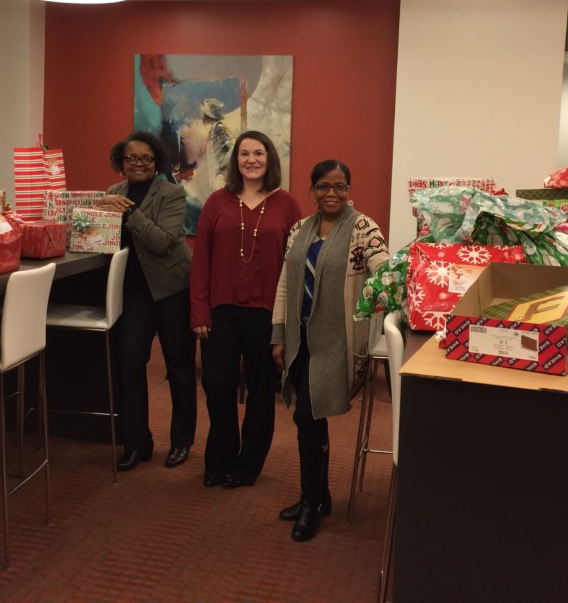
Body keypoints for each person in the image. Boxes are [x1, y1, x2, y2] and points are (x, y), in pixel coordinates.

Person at [271, 160, 389, 541]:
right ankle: (319, 497)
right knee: (308, 417)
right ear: (313, 190)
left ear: (349, 189)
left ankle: (311, 504)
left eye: (340, 186)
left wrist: (387, 286)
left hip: (336, 341)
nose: (332, 193)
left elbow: (383, 270)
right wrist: (278, 333)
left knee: (309, 415)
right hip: (300, 337)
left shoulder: (363, 228)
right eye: (323, 186)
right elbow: (286, 282)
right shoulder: (299, 230)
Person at [190, 130, 302, 488]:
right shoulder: (216, 202)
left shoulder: (287, 205)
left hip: (267, 314)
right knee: (216, 383)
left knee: (261, 389)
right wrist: (199, 311)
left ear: (269, 159)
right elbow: (201, 259)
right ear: (235, 160)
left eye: (258, 153)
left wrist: (287, 322)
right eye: (244, 154)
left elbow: (295, 266)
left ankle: (248, 465)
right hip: (220, 311)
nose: (251, 160)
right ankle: (219, 459)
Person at [96, 131, 197, 471]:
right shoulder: (113, 192)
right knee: (129, 364)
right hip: (134, 292)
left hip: (172, 288)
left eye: (146, 158)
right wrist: (93, 215)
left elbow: (162, 241)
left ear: (157, 163)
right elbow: (103, 238)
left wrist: (129, 213)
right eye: (131, 158)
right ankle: (137, 443)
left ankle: (181, 441)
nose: (138, 164)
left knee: (178, 367)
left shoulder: (172, 193)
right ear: (120, 162)